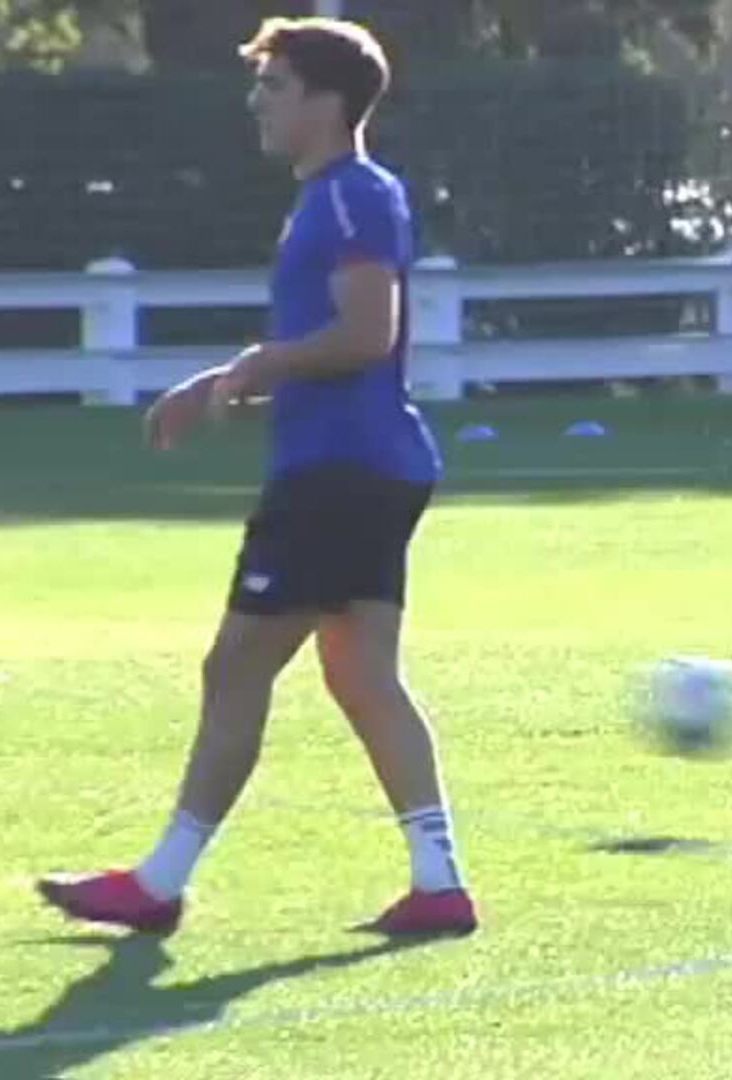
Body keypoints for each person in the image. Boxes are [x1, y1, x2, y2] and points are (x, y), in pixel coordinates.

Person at [38, 17, 478, 938]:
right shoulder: (335, 198)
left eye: (274, 85)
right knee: (362, 676)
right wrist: (226, 381)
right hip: (369, 466)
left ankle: (158, 884)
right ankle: (439, 883)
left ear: (327, 101)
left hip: (338, 474)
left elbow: (367, 334)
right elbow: (336, 347)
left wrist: (257, 366)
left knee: (236, 666)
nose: (256, 102)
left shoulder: (351, 196)